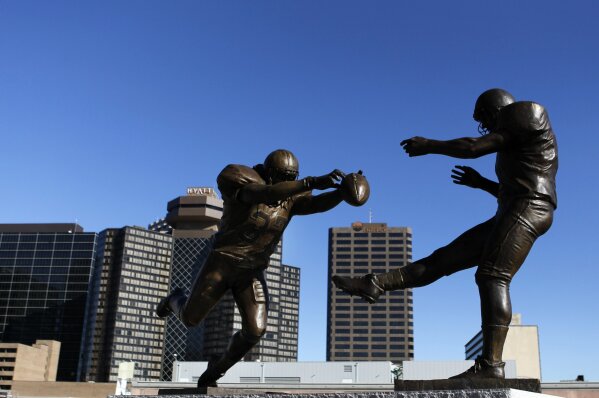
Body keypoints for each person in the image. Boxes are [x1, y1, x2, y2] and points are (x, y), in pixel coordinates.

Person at [333, 88, 558, 379]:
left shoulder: (529, 113)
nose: (486, 126)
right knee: (444, 259)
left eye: (485, 118)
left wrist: (429, 144)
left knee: (492, 275)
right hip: (514, 208)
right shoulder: (512, 142)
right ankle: (374, 284)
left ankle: (491, 366)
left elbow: (473, 147)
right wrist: (482, 184)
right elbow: (515, 185)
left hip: (530, 208)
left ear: (496, 110)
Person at [157, 149, 349, 388]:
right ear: (268, 173)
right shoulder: (240, 178)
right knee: (190, 318)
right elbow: (263, 194)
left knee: (256, 330)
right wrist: (310, 182)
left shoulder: (292, 196)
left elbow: (316, 204)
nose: (286, 182)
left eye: (291, 177)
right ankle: (175, 298)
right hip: (223, 262)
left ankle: (215, 370)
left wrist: (343, 193)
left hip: (252, 270)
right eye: (282, 176)